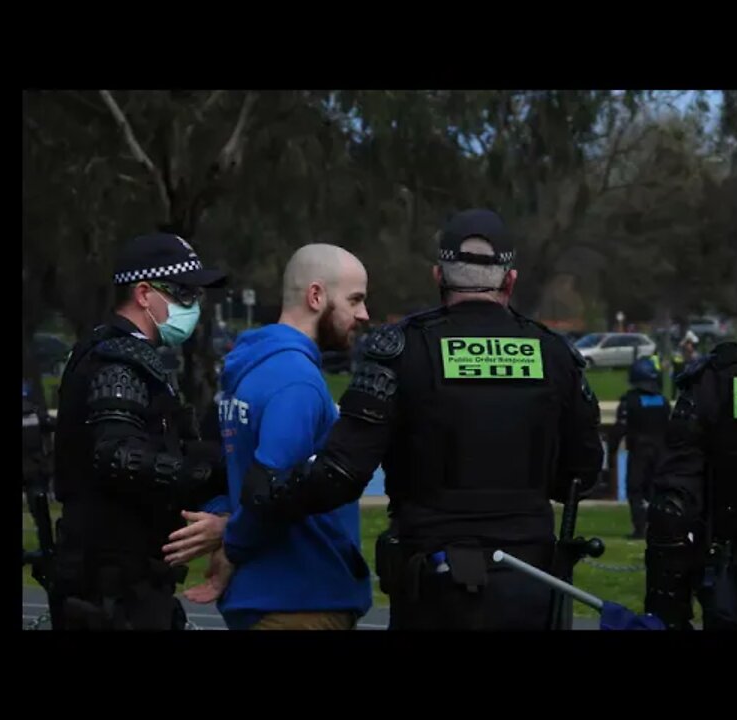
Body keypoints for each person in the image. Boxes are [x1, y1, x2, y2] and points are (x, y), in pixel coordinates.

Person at [242, 209, 605, 630]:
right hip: (529, 583)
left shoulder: (400, 350)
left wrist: (264, 493)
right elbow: (582, 473)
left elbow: (341, 472)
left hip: (432, 585)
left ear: (438, 277)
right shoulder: (555, 354)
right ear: (510, 280)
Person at [179, 243, 374, 630]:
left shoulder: (248, 371)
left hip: (265, 595)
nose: (364, 314)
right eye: (355, 300)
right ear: (316, 296)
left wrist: (224, 520)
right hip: (301, 600)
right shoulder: (297, 381)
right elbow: (270, 492)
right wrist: (231, 546)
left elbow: (227, 470)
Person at [50, 231, 230, 630]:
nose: (194, 305)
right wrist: (205, 472)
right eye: (184, 294)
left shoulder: (134, 357)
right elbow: (118, 455)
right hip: (111, 586)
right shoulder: (118, 361)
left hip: (126, 579)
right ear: (144, 293)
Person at [644, 341, 737, 630]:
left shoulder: (721, 378)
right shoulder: (721, 377)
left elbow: (674, 503)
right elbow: (674, 503)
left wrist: (666, 606)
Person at [606, 358, 671, 539]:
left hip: (639, 451)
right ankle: (659, 527)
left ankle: (640, 529)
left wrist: (611, 451)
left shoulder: (630, 400)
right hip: (661, 453)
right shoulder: (663, 401)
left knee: (635, 490)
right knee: (656, 491)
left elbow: (620, 428)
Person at [670, 330, 700, 399]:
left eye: (692, 344)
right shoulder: (678, 357)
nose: (691, 346)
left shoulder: (696, 358)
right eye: (688, 343)